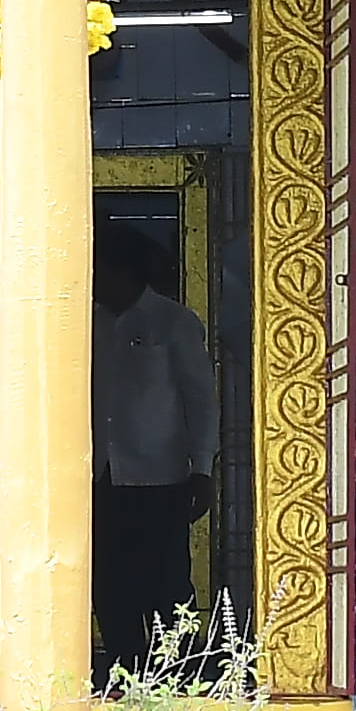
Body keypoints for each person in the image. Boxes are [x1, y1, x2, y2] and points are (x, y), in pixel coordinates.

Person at [88, 227, 217, 672]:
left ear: (123, 272)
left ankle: (178, 675)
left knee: (166, 585)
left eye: (100, 271)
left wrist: (202, 467)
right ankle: (125, 670)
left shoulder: (174, 322)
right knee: (109, 582)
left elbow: (201, 398)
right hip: (103, 474)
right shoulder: (89, 325)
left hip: (160, 475)